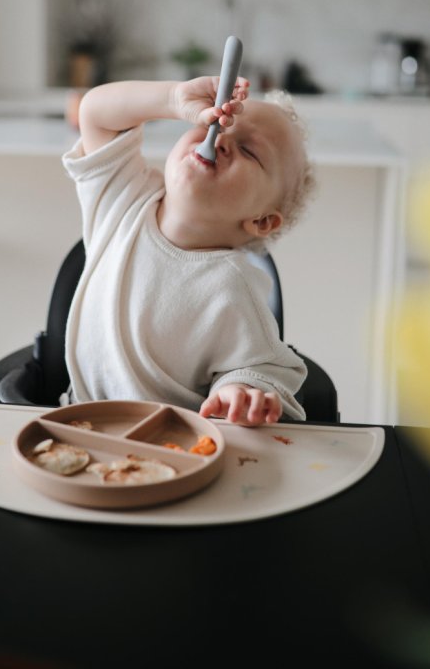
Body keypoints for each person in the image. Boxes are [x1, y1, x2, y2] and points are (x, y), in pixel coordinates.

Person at [62, 75, 315, 426]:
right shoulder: (123, 196)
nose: (220, 138)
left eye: (249, 151)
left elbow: (265, 369)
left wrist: (239, 390)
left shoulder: (234, 287)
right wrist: (172, 98)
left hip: (170, 447)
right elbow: (94, 112)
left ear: (261, 221)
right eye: (216, 122)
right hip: (75, 422)